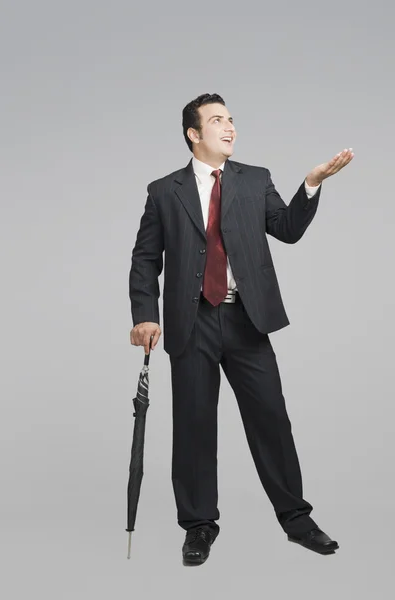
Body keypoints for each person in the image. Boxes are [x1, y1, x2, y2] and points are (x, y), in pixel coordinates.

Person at [128, 93, 354, 566]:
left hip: (247, 318)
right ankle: (198, 526)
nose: (229, 127)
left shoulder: (256, 180)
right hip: (191, 322)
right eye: (216, 121)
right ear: (193, 133)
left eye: (231, 119)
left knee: (271, 418)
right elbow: (145, 260)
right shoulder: (163, 190)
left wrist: (310, 185)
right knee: (193, 427)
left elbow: (287, 229)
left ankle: (297, 519)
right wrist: (144, 314)